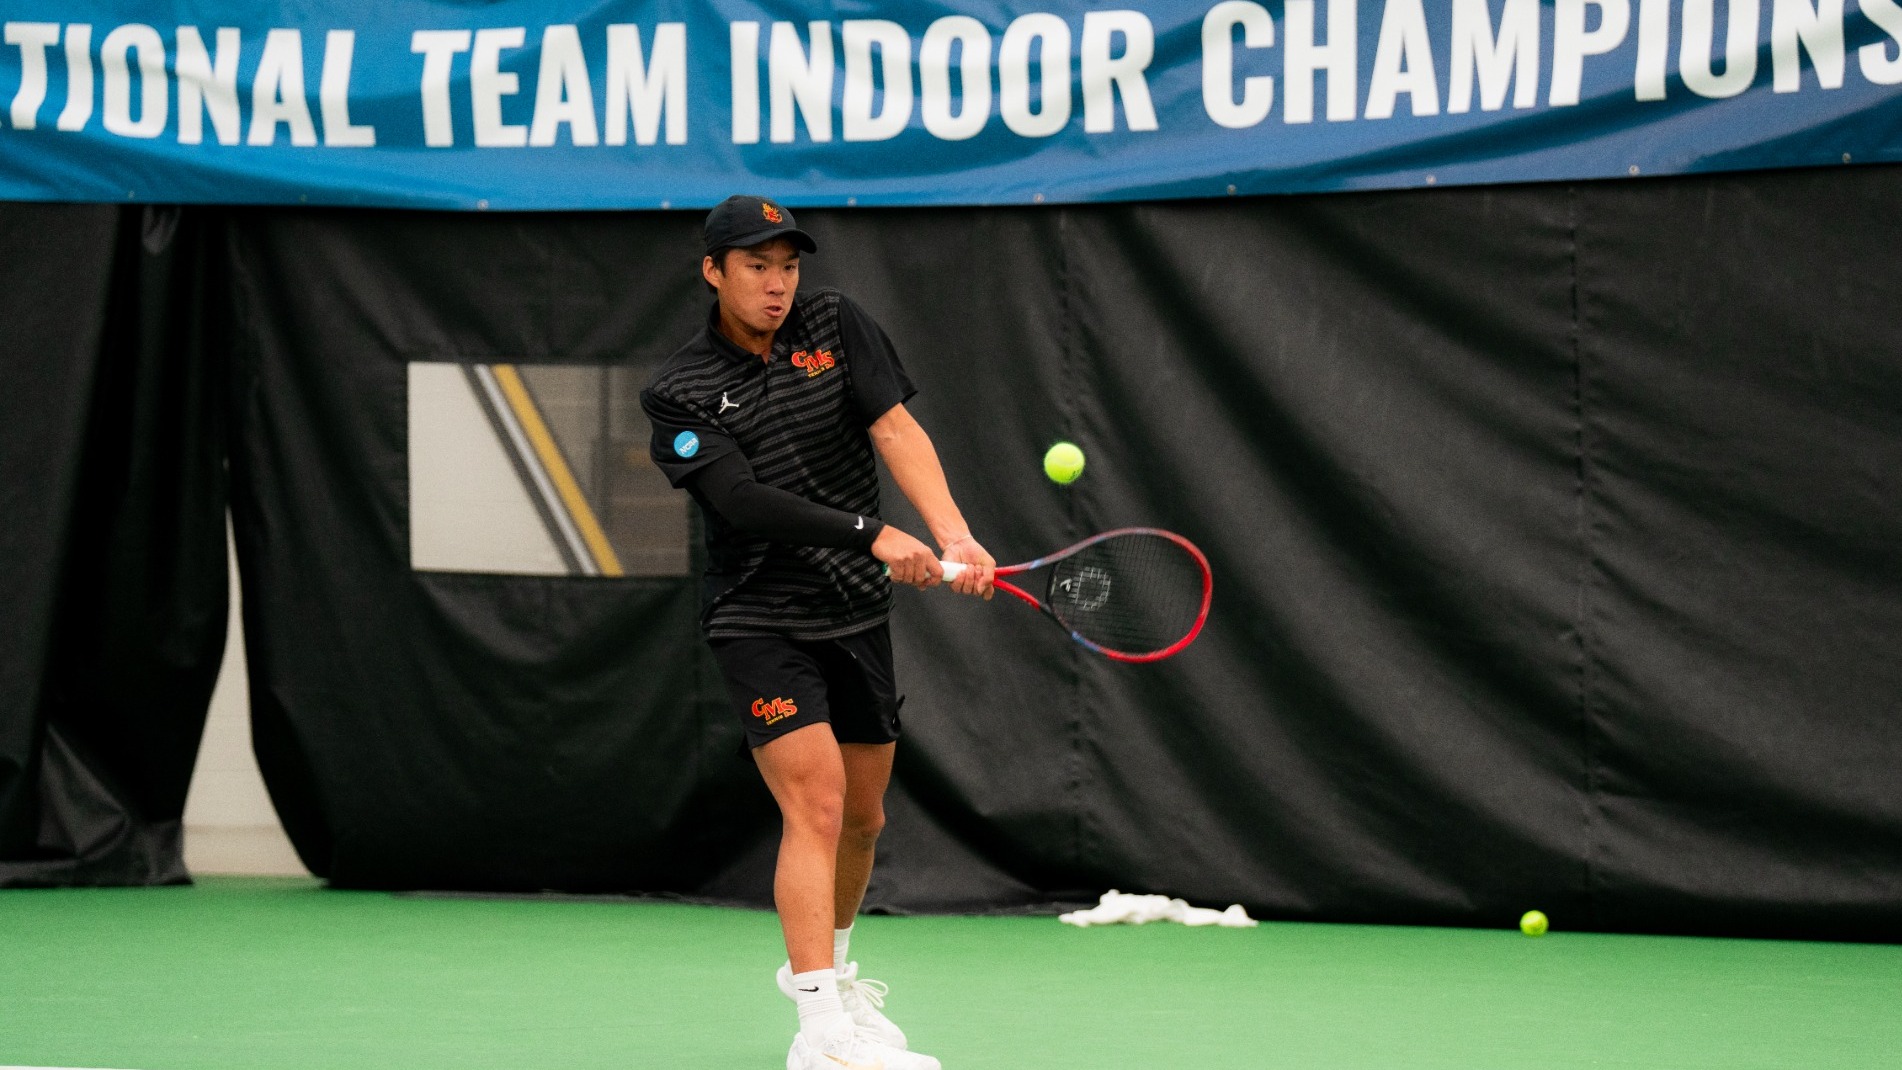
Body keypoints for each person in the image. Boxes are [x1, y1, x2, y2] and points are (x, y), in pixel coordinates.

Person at [641, 195, 995, 1070]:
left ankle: (833, 979)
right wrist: (871, 534)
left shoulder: (835, 323)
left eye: (787, 264)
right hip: (761, 618)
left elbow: (894, 426)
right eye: (755, 266)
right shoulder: (678, 392)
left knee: (865, 820)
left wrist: (953, 535)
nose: (776, 283)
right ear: (713, 272)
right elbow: (741, 502)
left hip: (855, 614)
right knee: (819, 805)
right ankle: (819, 1034)